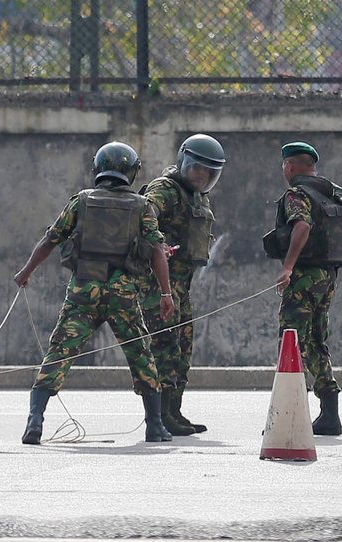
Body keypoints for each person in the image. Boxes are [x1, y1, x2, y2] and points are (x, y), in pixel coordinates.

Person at [13, 141, 176, 445]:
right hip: (122, 294)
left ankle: (35, 421)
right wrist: (167, 294)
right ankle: (154, 426)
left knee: (58, 352)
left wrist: (26, 273)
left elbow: (50, 239)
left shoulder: (81, 201)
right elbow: (157, 252)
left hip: (83, 289)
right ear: (131, 171)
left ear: (98, 168)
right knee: (141, 354)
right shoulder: (142, 206)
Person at [265, 141, 342, 436]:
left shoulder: (297, 193)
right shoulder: (331, 195)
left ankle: (288, 416)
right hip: (327, 276)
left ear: (290, 166)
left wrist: (288, 267)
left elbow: (301, 226)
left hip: (303, 277)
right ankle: (330, 414)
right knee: (316, 340)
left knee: (290, 342)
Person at [138, 134, 225, 436]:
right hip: (158, 284)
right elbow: (145, 213)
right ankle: (160, 416)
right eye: (197, 168)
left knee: (183, 348)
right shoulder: (165, 189)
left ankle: (174, 411)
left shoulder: (197, 197)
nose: (202, 176)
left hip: (181, 286)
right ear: (184, 162)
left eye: (209, 172)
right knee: (164, 348)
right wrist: (157, 243)